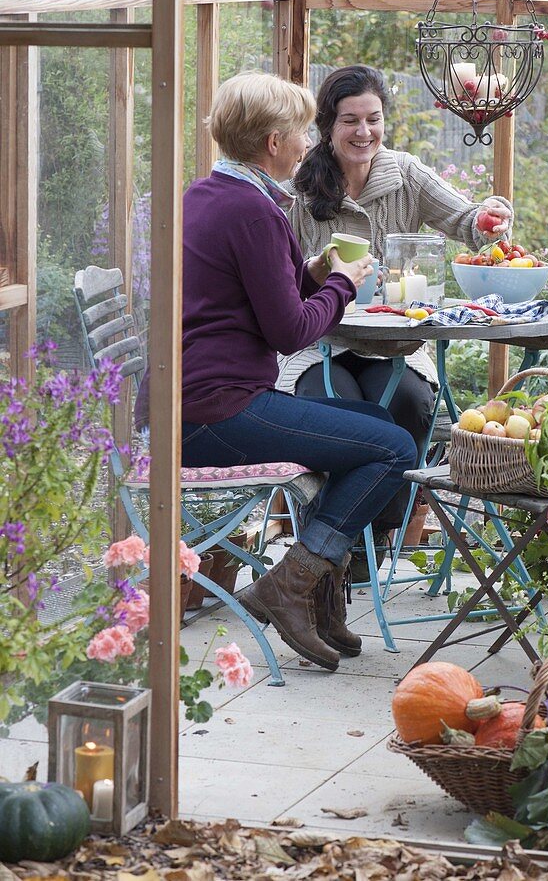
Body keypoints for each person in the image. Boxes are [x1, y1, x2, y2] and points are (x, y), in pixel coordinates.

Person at [166, 71, 417, 672]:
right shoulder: (254, 213)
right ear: (274, 142)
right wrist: (342, 283)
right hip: (215, 414)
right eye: (302, 131)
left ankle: (316, 587)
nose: (310, 142)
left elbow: (250, 296)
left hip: (197, 400)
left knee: (368, 424)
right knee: (393, 447)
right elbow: (291, 332)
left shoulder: (207, 196)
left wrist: (309, 272)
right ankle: (294, 580)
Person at [278, 64, 513, 570]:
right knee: (337, 408)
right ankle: (328, 548)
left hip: (394, 343)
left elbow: (467, 219)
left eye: (373, 119)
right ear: (327, 125)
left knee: (407, 403)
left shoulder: (404, 174)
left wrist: (490, 215)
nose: (364, 132)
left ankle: (376, 538)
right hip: (321, 340)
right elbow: (280, 274)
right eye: (349, 121)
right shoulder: (300, 187)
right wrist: (322, 274)